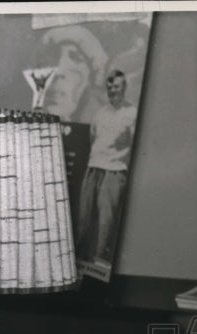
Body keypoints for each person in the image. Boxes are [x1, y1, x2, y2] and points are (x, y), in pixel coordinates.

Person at [75, 70, 136, 266]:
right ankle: (79, 265)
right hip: (93, 169)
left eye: (116, 86)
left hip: (114, 171)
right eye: (109, 87)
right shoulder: (100, 113)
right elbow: (93, 139)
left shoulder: (132, 113)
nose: (112, 90)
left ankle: (100, 267)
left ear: (124, 88)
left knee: (105, 224)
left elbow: (135, 143)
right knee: (84, 220)